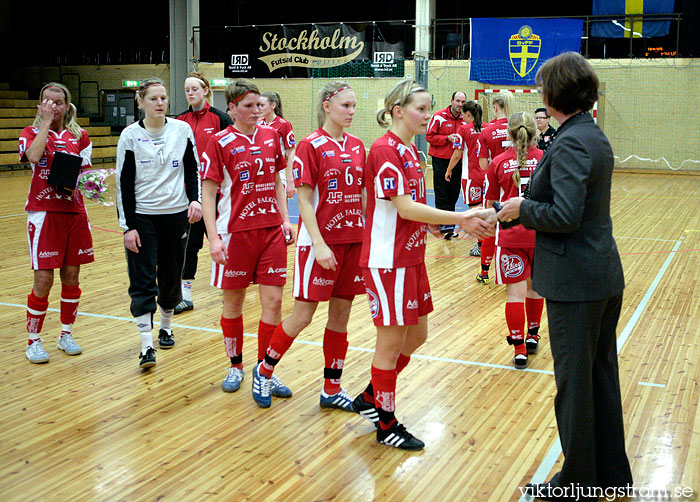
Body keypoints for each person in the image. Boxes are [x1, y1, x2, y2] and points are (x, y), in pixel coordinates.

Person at [497, 52, 633, 500]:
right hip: (599, 276)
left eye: (543, 88)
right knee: (599, 378)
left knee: (574, 387)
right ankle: (611, 476)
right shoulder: (589, 134)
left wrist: (522, 209)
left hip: (577, 281)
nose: (540, 95)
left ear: (557, 93)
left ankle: (577, 483)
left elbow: (565, 214)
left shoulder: (572, 141)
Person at [352, 79, 496, 450]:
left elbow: (411, 207)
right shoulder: (385, 150)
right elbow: (402, 207)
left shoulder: (409, 152)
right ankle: (385, 423)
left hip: (411, 256)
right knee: (390, 342)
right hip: (388, 261)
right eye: (421, 108)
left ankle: (371, 396)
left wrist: (432, 224)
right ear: (398, 111)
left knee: (417, 335)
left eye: (429, 107)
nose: (428, 115)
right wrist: (458, 217)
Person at [251, 82, 365, 410]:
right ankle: (264, 370)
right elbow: (302, 199)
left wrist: (366, 234)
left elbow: (361, 194)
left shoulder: (358, 146)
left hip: (352, 242)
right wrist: (319, 243)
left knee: (340, 316)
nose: (352, 112)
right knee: (303, 315)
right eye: (346, 105)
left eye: (354, 106)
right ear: (327, 105)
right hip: (319, 245)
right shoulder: (309, 146)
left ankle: (332, 388)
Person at [200, 78, 295, 396]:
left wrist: (285, 219)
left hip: (270, 232)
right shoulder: (220, 141)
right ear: (232, 108)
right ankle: (235, 365)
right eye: (249, 106)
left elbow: (279, 182)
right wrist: (213, 238)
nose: (257, 111)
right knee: (234, 303)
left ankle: (264, 371)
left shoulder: (271, 137)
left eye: (259, 105)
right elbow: (208, 193)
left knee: (274, 302)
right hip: (233, 233)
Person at [116, 77, 202, 369]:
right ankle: (145, 346)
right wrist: (128, 227)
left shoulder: (182, 129)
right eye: (153, 98)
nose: (160, 103)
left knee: (170, 275)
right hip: (143, 217)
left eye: (163, 98)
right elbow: (123, 184)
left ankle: (166, 326)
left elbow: (193, 170)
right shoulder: (129, 136)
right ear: (141, 102)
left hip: (176, 215)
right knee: (142, 280)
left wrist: (195, 200)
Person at [20, 82, 94, 363]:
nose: (53, 106)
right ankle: (34, 340)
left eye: (58, 102)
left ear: (67, 105)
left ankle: (66, 333)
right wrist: (45, 124)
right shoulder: (30, 132)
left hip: (74, 213)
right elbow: (33, 156)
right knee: (44, 278)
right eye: (47, 102)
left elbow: (86, 175)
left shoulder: (81, 136)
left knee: (72, 276)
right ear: (40, 105)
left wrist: (88, 185)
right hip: (44, 212)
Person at [483, 112, 544, 370]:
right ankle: (532, 336)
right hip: (540, 235)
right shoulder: (544, 159)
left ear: (509, 133)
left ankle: (519, 349)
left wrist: (483, 227)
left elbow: (490, 205)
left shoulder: (498, 162)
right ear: (535, 133)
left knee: (514, 295)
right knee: (535, 289)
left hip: (510, 236)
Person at [175, 71, 233, 315]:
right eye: (187, 89)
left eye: (195, 89)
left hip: (219, 192)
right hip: (190, 194)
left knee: (224, 239)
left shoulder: (220, 119)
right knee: (190, 244)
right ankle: (185, 294)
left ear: (206, 91)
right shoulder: (178, 121)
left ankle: (232, 284)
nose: (190, 93)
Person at [476, 90, 514, 284]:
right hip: (516, 184)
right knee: (517, 225)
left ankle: (484, 272)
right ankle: (516, 268)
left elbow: (483, 164)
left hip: (495, 185)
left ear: (495, 107)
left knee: (490, 226)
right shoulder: (519, 126)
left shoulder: (487, 131)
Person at [445, 100, 484, 257]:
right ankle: (489, 243)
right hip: (488, 176)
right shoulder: (488, 128)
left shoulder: (463, 129)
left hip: (471, 176)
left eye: (463, 114)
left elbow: (457, 154)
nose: (462, 117)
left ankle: (481, 245)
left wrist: (448, 170)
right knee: (487, 209)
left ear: (468, 114)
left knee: (475, 211)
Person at [426, 91, 467, 239]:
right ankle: (444, 228)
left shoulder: (466, 119)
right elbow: (429, 136)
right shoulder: (438, 116)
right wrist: (446, 139)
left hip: (457, 161)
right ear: (452, 101)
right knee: (442, 193)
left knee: (454, 193)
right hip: (440, 160)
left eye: (463, 102)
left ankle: (449, 227)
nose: (460, 105)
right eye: (457, 101)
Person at [259, 91, 297, 198]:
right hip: (261, 173)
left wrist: (290, 180)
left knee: (280, 211)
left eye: (262, 105)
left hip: (278, 173)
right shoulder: (258, 124)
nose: (259, 108)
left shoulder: (284, 125)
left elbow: (291, 152)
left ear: (273, 105)